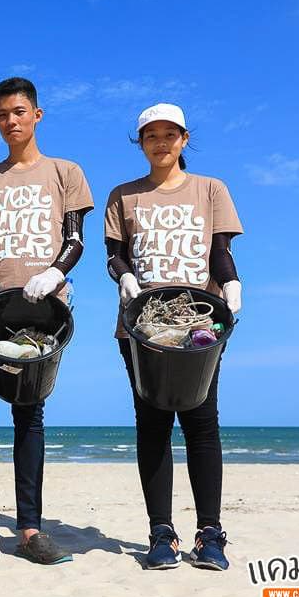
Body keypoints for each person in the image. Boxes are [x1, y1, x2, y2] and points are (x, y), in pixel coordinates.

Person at [0, 77, 93, 568]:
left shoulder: (65, 172)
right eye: (2, 115)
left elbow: (75, 239)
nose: (11, 121)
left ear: (37, 115)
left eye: (19, 112)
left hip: (42, 314)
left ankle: (30, 528)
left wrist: (55, 273)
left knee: (29, 414)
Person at [104, 103, 243, 571]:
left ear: (184, 139)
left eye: (169, 134)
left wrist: (232, 283)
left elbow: (220, 250)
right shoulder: (124, 195)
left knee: (202, 422)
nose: (160, 143)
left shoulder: (210, 189)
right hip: (142, 326)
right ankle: (161, 532)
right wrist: (125, 277)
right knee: (153, 423)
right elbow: (115, 255)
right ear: (140, 143)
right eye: (151, 136)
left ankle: (210, 533)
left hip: (199, 326)